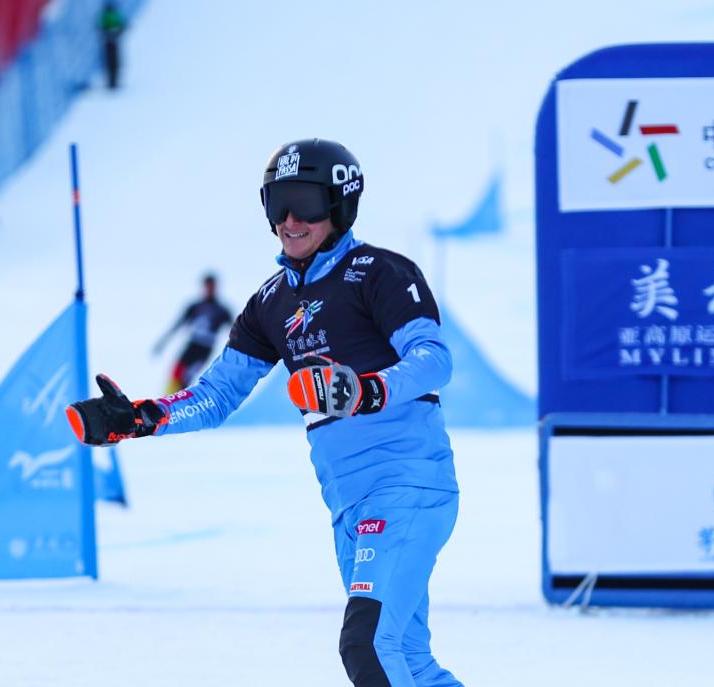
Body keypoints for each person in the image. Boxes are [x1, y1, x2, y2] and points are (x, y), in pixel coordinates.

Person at [65, 138, 464, 687]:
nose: (290, 221)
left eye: (306, 203)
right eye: (278, 204)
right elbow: (218, 394)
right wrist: (143, 417)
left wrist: (365, 391)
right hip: (348, 503)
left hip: (407, 488)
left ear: (341, 204)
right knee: (411, 661)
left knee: (368, 646)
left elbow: (433, 359)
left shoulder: (381, 272)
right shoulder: (271, 302)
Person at [153, 273, 233, 393]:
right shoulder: (195, 306)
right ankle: (166, 398)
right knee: (176, 372)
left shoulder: (221, 310)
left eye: (211, 286)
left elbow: (234, 331)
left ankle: (180, 400)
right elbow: (177, 325)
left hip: (204, 349)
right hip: (191, 345)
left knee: (188, 376)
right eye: (207, 286)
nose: (209, 289)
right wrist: (162, 343)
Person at [98, 2, 126, 90]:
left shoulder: (105, 16)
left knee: (110, 62)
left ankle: (111, 82)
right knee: (114, 62)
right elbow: (122, 25)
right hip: (114, 41)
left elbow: (100, 26)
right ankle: (114, 82)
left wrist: (105, 32)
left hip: (108, 41)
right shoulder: (115, 15)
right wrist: (118, 32)